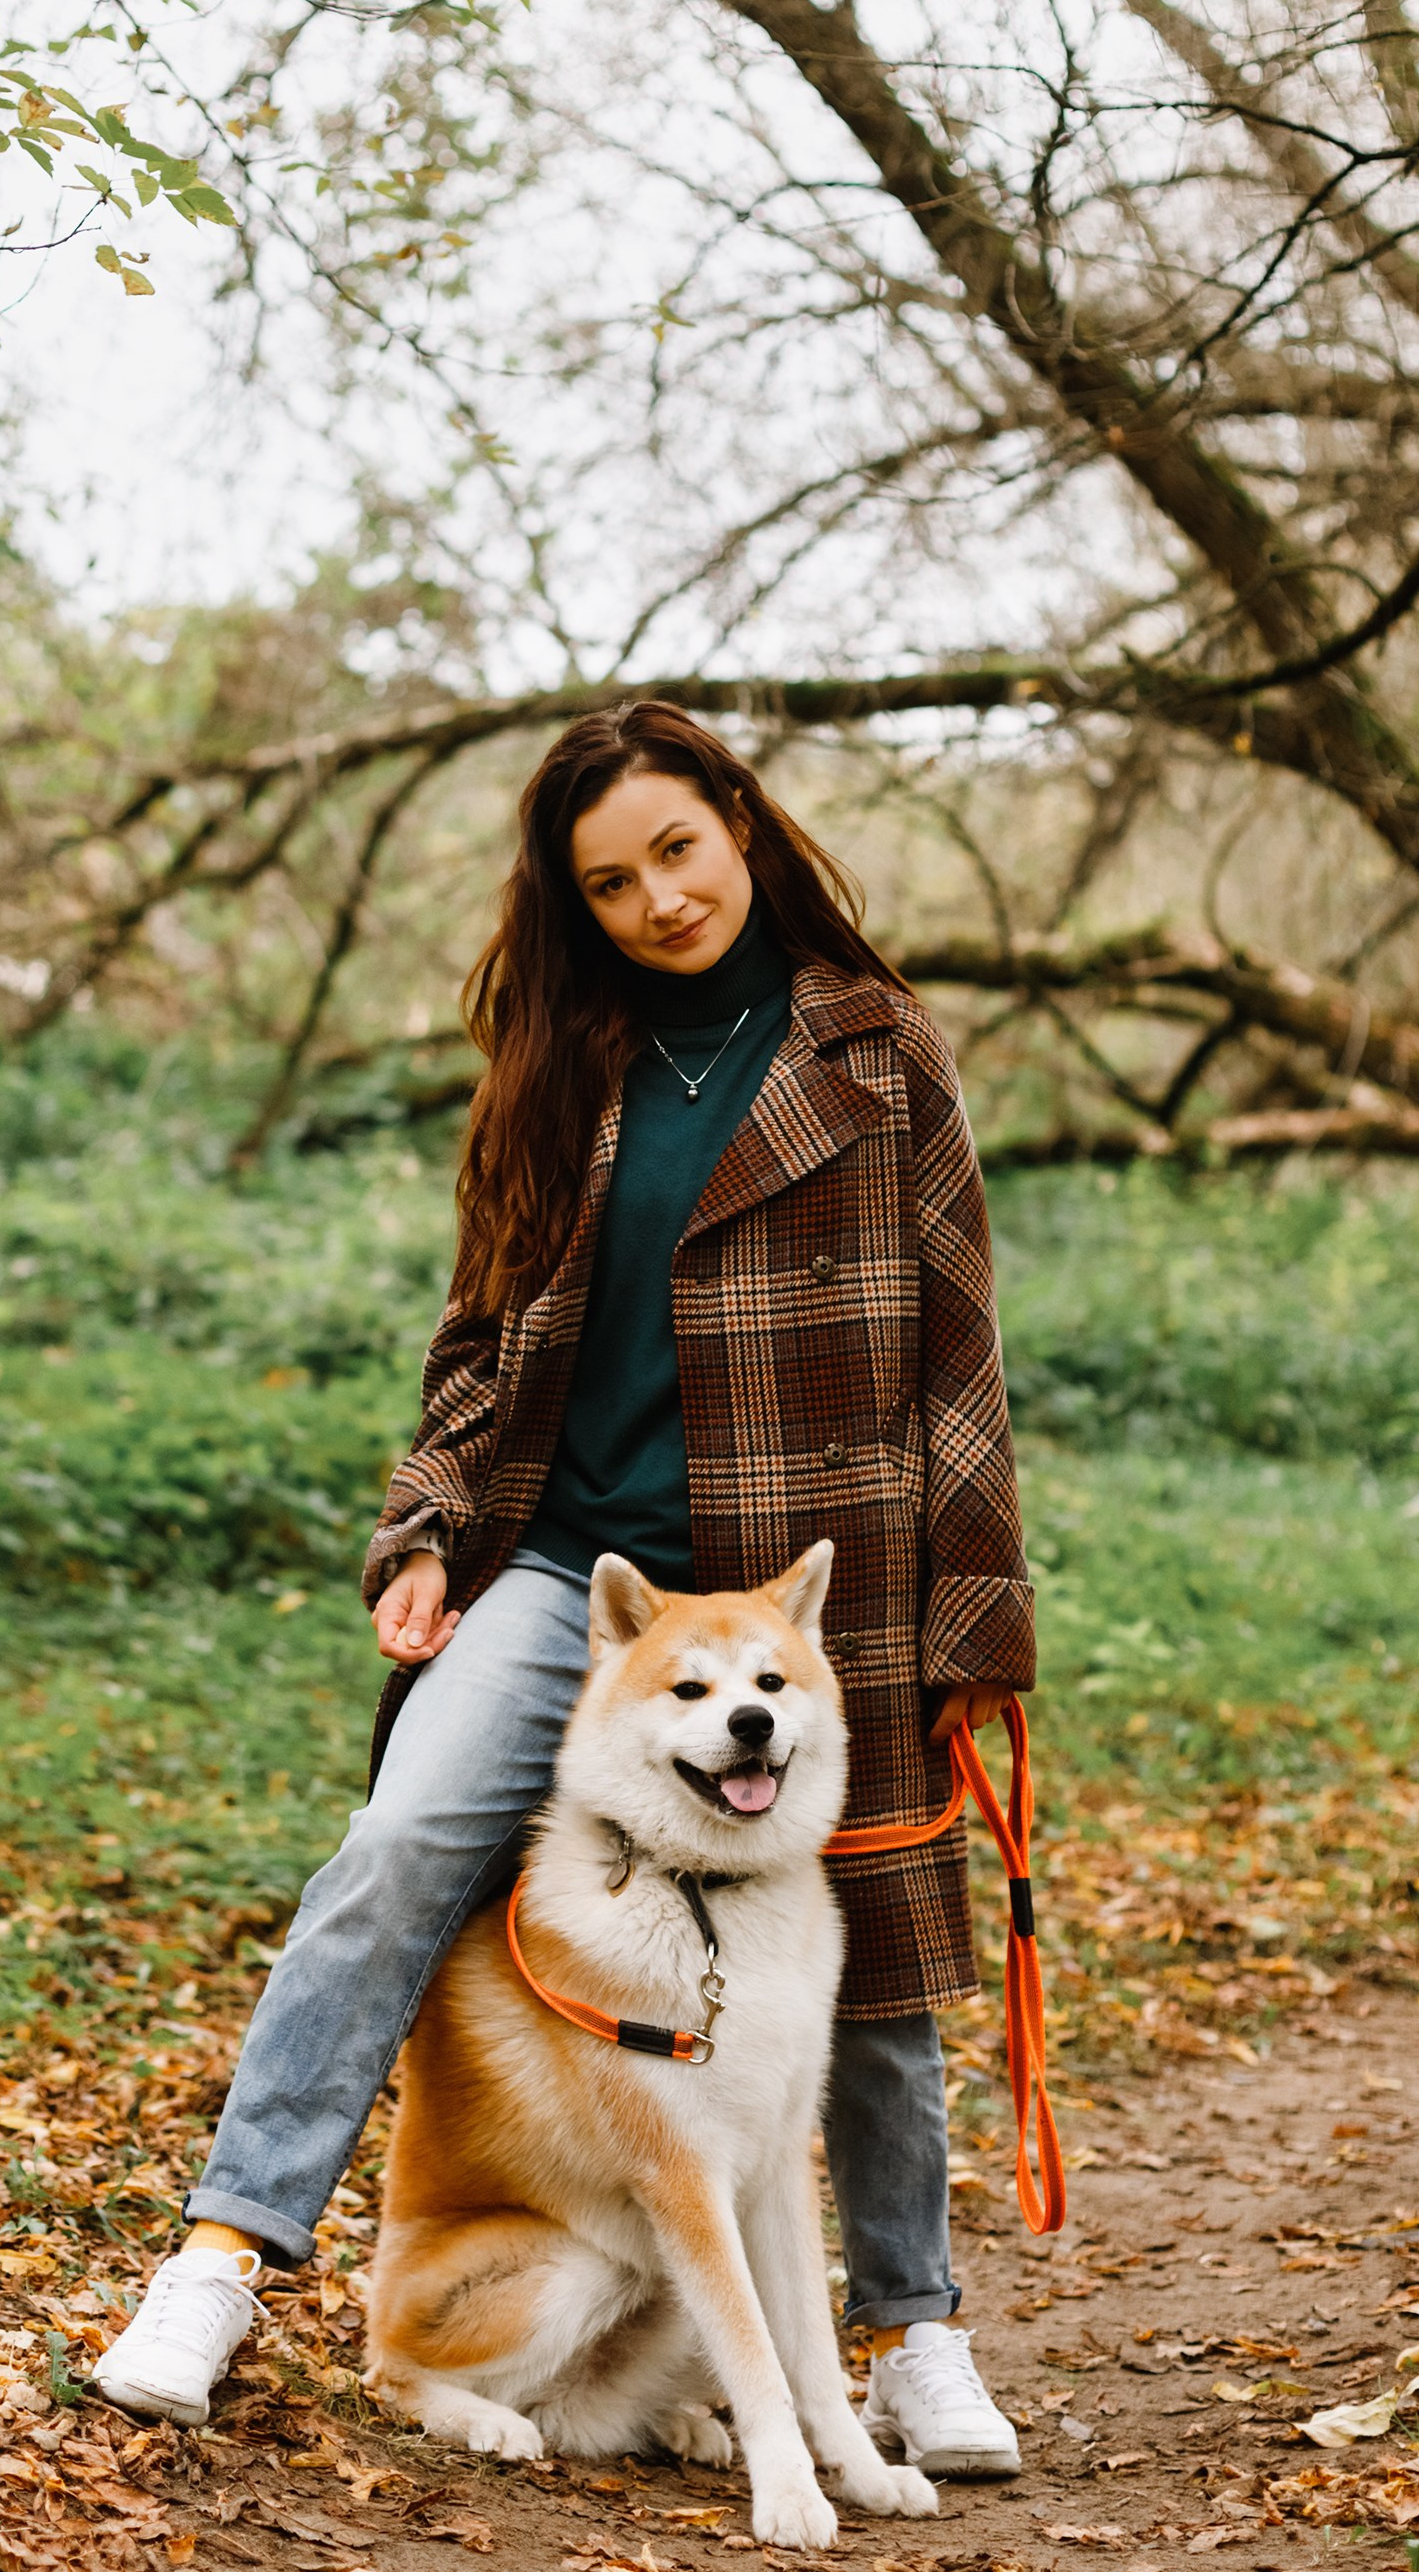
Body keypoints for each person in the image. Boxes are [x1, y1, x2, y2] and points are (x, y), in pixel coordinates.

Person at [91, 702, 1036, 2477]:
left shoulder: (879, 1047)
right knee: (398, 1844)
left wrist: (973, 1620)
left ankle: (912, 2332)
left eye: (678, 849)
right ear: (576, 904)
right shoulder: (560, 1062)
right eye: (611, 880)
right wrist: (429, 1525)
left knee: (878, 1948)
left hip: (813, 1567)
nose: (659, 899)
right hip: (564, 1573)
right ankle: (223, 2255)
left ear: (741, 825)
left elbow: (959, 1351)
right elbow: (476, 1344)